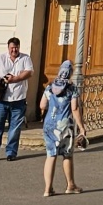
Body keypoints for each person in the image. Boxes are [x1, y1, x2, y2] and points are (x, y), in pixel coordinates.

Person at [39, 59, 86, 197]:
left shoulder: (49, 87)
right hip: (65, 126)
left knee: (50, 155)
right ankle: (70, 185)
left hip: (49, 125)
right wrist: (82, 128)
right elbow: (75, 108)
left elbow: (42, 106)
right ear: (70, 73)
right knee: (67, 155)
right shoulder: (72, 88)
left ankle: (48, 189)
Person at [0, 36, 34, 162]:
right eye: (12, 48)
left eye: (16, 48)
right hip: (1, 100)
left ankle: (11, 152)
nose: (14, 50)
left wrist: (15, 79)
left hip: (18, 100)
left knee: (15, 128)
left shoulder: (25, 58)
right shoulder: (0, 58)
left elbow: (29, 72)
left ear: (19, 47)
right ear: (8, 48)